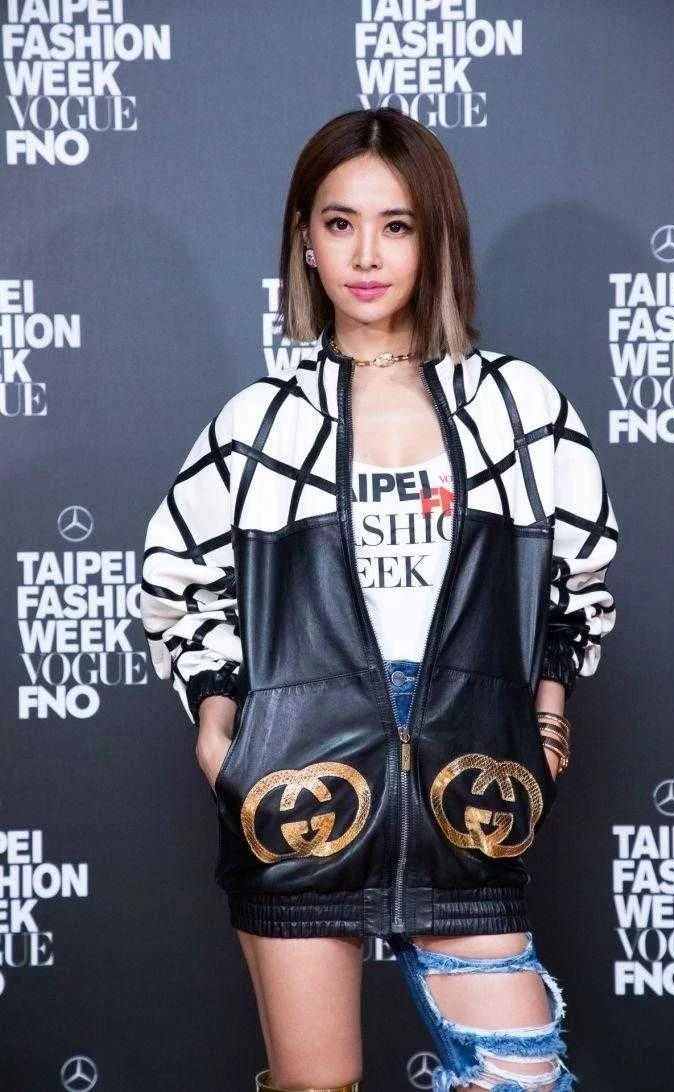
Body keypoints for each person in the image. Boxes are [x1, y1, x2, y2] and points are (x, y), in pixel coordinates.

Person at [140, 107, 619, 1092]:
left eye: (396, 225)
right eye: (339, 222)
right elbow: (178, 586)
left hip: (470, 802)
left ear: (434, 239)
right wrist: (223, 734)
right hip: (297, 801)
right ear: (305, 242)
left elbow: (575, 583)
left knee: (520, 1075)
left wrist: (545, 724)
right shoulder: (259, 425)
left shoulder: (518, 409)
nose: (366, 254)